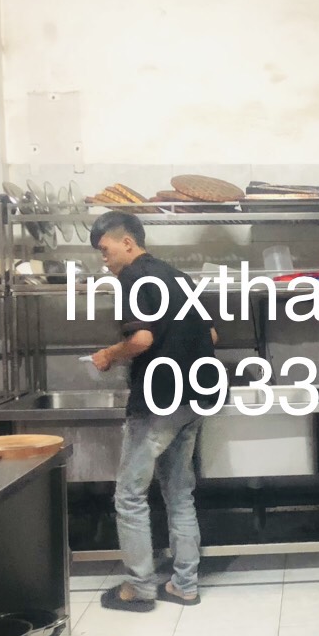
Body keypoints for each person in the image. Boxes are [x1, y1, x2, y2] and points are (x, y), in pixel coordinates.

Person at [89, 210, 217, 612]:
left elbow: (141, 339)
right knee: (179, 493)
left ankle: (140, 588)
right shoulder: (178, 277)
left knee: (129, 496)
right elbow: (211, 334)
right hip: (195, 398)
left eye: (105, 249)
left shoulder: (131, 278)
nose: (104, 259)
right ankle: (185, 585)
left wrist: (109, 354)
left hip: (159, 401)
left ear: (127, 242)